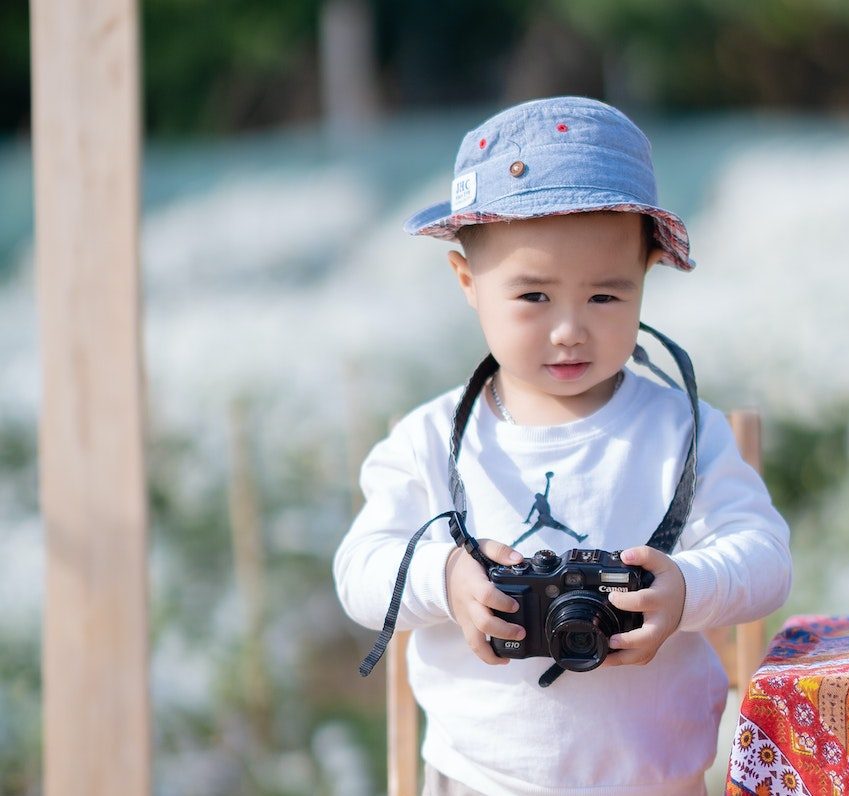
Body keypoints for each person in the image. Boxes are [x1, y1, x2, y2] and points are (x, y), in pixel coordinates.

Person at [333, 96, 791, 796]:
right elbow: (359, 574)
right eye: (534, 298)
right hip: (480, 781)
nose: (569, 329)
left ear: (645, 280)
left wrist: (686, 588)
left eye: (606, 298)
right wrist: (446, 578)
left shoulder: (680, 430)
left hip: (655, 780)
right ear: (468, 284)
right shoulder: (431, 441)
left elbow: (765, 559)